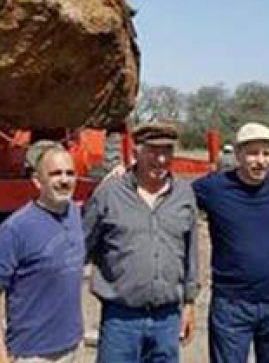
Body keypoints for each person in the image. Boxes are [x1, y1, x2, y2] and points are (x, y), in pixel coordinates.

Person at [192, 122, 269, 363]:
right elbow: (167, 192)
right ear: (237, 154)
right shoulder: (213, 189)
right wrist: (125, 175)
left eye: (266, 153)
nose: (260, 161)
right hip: (232, 305)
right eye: (253, 153)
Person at [83, 122, 198, 363]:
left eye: (167, 151)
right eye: (153, 151)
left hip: (167, 319)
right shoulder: (109, 194)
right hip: (121, 319)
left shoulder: (184, 195)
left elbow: (191, 252)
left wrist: (189, 303)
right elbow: (82, 246)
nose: (161, 159)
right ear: (136, 152)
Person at [0, 142, 85, 363]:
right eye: (55, 174)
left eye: (70, 173)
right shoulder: (16, 229)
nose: (64, 180)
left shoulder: (76, 215)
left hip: (72, 347)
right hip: (32, 353)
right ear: (37, 181)